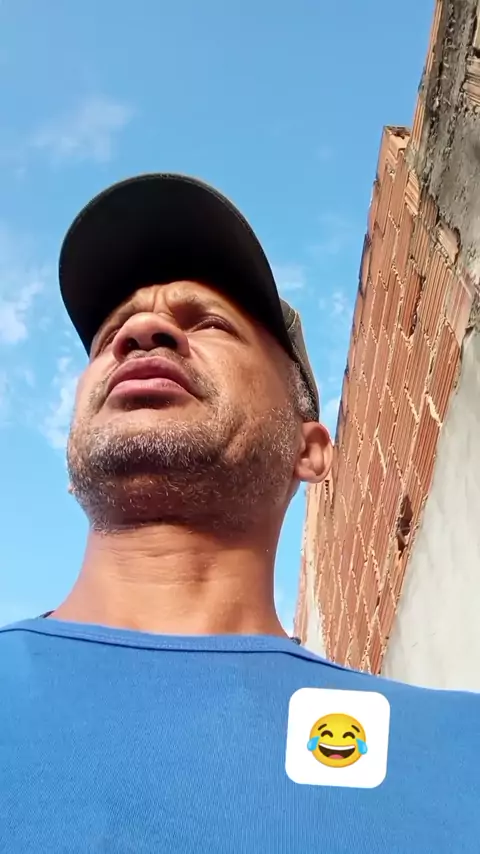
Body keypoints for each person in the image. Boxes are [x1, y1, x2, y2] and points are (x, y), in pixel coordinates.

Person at [0, 174, 478, 853]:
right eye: (109, 334)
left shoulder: (458, 762)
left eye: (209, 322)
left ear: (309, 449)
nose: (139, 330)